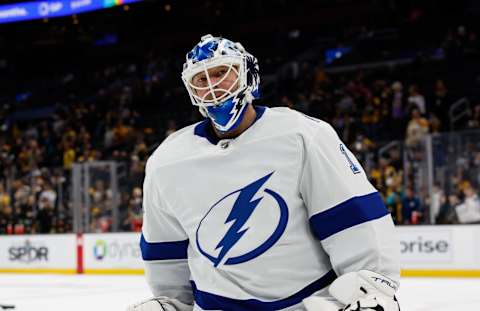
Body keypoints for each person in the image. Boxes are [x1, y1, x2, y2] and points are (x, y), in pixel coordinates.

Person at [128, 35, 400, 311]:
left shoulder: (302, 135)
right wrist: (172, 303)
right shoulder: (166, 161)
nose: (212, 86)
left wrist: (371, 284)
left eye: (222, 72)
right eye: (201, 79)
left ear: (248, 75)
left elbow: (352, 219)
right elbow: (165, 251)